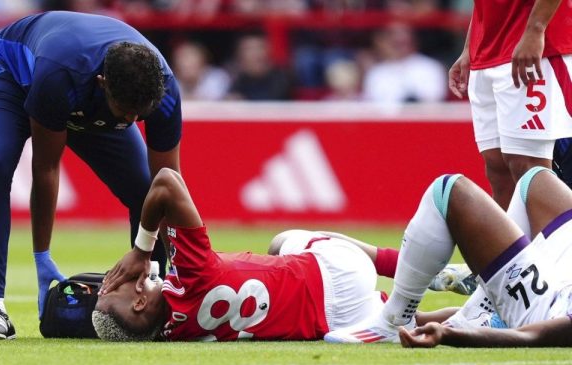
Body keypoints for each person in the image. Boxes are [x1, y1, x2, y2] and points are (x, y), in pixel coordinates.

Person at [0, 11, 182, 340]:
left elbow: (168, 187)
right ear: (103, 84)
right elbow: (46, 167)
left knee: (144, 189)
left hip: (83, 92)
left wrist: (162, 265)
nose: (133, 119)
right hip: (12, 75)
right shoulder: (60, 78)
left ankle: (157, 296)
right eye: (126, 112)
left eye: (141, 114)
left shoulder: (163, 92)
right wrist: (42, 256)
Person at [92, 168, 463, 342]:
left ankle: (480, 313)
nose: (114, 279)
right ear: (139, 304)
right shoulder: (192, 273)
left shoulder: (171, 334)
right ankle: (422, 271)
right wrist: (142, 249)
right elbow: (166, 181)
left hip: (338, 323)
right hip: (339, 271)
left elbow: (124, 324)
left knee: (419, 320)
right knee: (285, 239)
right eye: (114, 287)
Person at [324, 166, 572, 344]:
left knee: (448, 191)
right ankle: (482, 304)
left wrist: (452, 335)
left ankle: (395, 320)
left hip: (549, 306)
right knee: (536, 180)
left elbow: (534, 335)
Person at [448, 0, 572, 209]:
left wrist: (535, 29)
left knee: (531, 169)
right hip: (487, 52)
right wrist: (471, 46)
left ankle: (557, 241)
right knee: (498, 171)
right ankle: (516, 243)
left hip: (534, 46)